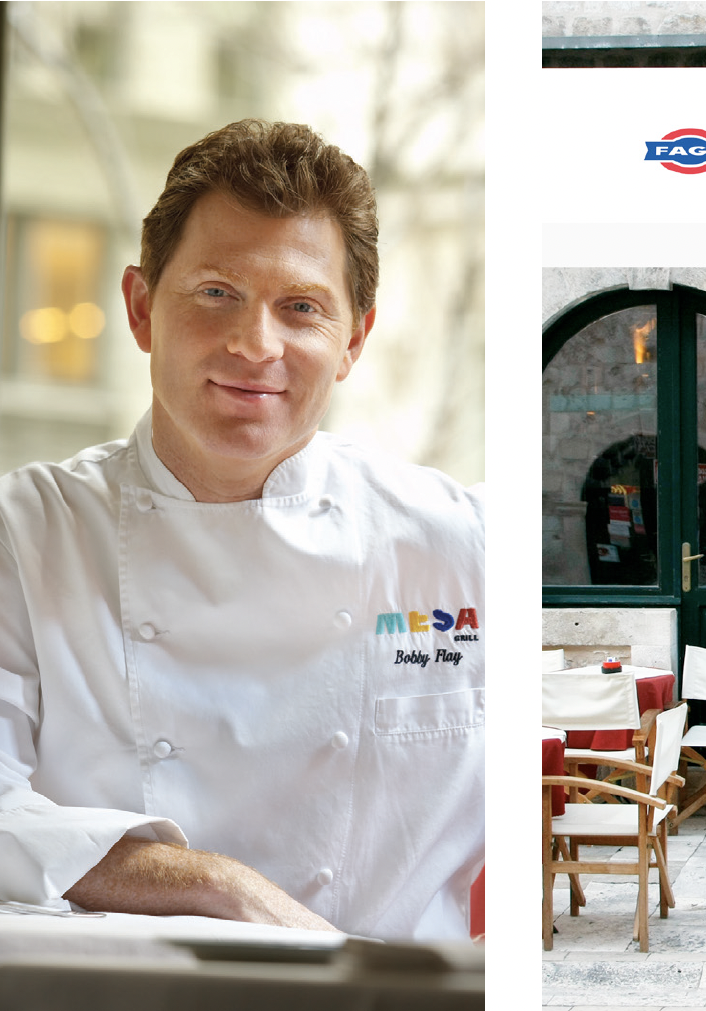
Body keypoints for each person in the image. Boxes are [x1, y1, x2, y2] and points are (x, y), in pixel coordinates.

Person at [0, 120, 483, 940]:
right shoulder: (27, 535)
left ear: (353, 341)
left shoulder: (457, 544)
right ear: (142, 308)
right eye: (216, 293)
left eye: (301, 308)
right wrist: (221, 888)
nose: (255, 345)